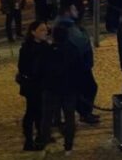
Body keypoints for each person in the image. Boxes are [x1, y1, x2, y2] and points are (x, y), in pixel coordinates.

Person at [53, 5, 100, 124]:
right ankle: (84, 113)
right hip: (78, 63)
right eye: (74, 9)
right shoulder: (67, 26)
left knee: (85, 88)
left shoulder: (67, 24)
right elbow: (81, 41)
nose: (77, 11)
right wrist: (84, 32)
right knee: (89, 87)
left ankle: (84, 112)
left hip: (78, 62)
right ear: (67, 12)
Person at [39, 25, 81, 155]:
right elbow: (79, 70)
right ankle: (68, 146)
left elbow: (42, 69)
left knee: (46, 116)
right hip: (69, 89)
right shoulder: (73, 50)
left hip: (51, 89)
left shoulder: (48, 50)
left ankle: (44, 141)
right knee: (69, 118)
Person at [17, 21, 51, 151]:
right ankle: (29, 140)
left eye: (45, 29)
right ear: (33, 32)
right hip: (32, 85)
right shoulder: (26, 49)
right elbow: (23, 68)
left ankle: (40, 136)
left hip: (42, 85)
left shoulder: (45, 46)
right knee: (31, 112)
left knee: (40, 111)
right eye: (42, 30)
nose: (45, 32)